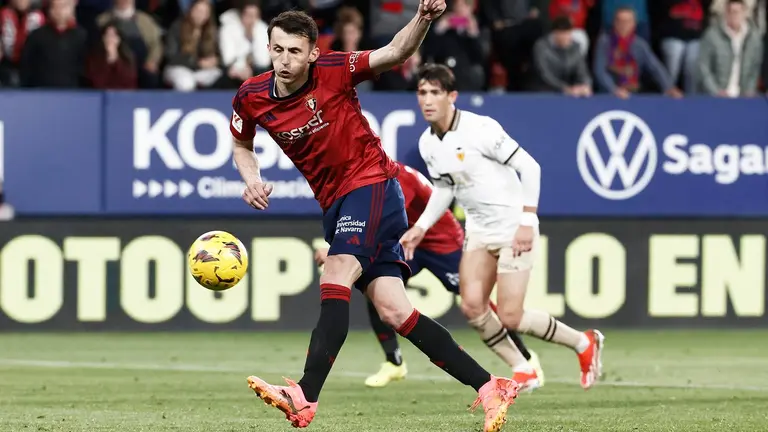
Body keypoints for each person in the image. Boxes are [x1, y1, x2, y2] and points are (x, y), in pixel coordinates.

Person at [227, 5, 519, 432]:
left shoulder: (336, 69)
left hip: (373, 185)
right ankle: (491, 385)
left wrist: (423, 18)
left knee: (336, 272)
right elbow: (241, 144)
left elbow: (395, 52)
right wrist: (251, 180)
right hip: (335, 203)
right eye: (277, 49)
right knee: (395, 310)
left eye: (294, 51)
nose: (284, 60)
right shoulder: (251, 95)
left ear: (312, 53)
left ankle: (305, 395)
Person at [400, 63, 605, 392]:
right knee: (472, 306)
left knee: (511, 316)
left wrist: (527, 220)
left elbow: (530, 167)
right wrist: (422, 226)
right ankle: (523, 369)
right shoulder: (427, 143)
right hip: (479, 231)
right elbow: (445, 187)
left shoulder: (481, 129)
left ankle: (584, 342)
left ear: (452, 96)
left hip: (513, 227)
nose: (427, 99)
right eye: (422, 92)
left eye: (435, 92)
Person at [315, 161, 546, 389]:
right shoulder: (369, 174)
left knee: (475, 301)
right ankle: (394, 362)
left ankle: (525, 359)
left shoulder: (392, 178)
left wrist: (338, 250)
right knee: (375, 285)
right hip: (406, 242)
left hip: (441, 242)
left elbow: (380, 221)